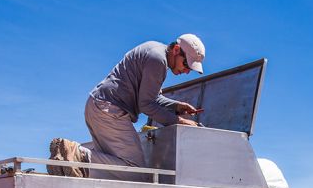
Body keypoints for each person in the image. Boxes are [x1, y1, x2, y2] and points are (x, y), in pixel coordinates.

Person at [48, 34, 206, 178]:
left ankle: (69, 163)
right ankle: (76, 154)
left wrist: (177, 106)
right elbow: (146, 104)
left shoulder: (154, 50)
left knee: (114, 169)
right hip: (110, 110)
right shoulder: (158, 60)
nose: (186, 71)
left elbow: (151, 97)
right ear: (177, 50)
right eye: (186, 64)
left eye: (190, 69)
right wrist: (179, 121)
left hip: (98, 106)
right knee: (136, 170)